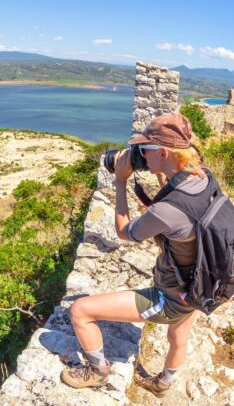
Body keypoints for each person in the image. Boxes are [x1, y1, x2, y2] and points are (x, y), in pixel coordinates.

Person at [61, 113, 208, 398]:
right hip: (199, 286)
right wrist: (159, 168)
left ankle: (98, 372)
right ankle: (163, 383)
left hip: (172, 297)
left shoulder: (168, 210)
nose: (140, 154)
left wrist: (120, 181)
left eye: (145, 150)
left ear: (164, 152)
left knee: (80, 311)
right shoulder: (202, 180)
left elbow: (124, 232)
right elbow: (171, 191)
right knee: (178, 337)